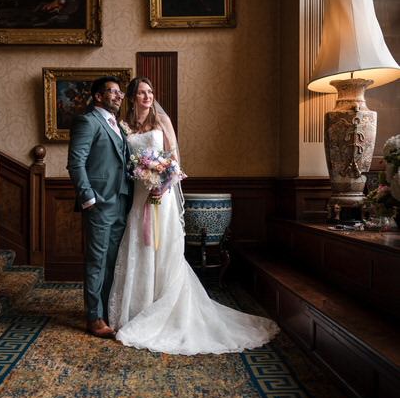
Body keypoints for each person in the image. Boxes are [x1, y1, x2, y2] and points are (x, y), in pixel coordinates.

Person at [108, 78, 280, 355]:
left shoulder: (162, 122)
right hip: (138, 197)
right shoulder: (125, 127)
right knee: (138, 249)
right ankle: (137, 308)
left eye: (150, 92)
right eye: (141, 93)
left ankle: (165, 309)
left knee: (162, 251)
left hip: (160, 197)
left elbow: (173, 163)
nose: (147, 96)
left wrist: (161, 188)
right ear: (131, 98)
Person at [67, 76, 133, 339]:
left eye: (120, 93)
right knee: (96, 260)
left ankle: (107, 311)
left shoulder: (117, 126)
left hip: (121, 202)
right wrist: (88, 198)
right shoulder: (87, 122)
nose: (119, 96)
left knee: (112, 261)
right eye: (113, 92)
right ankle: (93, 318)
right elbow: (76, 163)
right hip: (99, 203)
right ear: (97, 96)